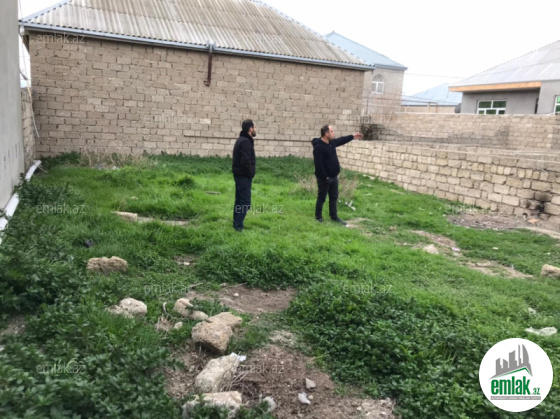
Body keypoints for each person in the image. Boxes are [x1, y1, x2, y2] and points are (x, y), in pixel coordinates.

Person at [311, 125, 363, 225]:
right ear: (326, 134)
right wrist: (325, 177)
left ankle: (334, 217)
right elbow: (318, 165)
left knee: (334, 197)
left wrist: (352, 136)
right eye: (331, 132)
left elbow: (341, 140)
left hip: (334, 177)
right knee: (321, 197)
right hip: (324, 178)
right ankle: (318, 217)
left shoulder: (331, 143)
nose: (333, 133)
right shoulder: (318, 147)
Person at [232, 119, 257, 231]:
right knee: (246, 202)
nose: (255, 129)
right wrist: (250, 174)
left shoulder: (241, 140)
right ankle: (238, 226)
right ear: (250, 129)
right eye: (254, 127)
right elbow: (245, 161)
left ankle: (236, 223)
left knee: (239, 200)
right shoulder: (245, 142)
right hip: (243, 176)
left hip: (239, 174)